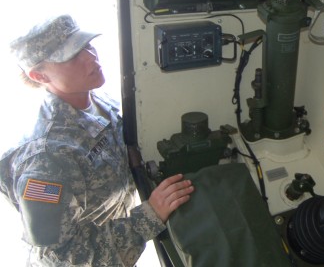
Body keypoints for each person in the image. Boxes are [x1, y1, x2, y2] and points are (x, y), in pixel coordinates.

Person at [0, 15, 195, 266]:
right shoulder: (46, 159)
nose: (91, 57)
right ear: (39, 76)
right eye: (71, 56)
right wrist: (150, 215)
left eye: (86, 46)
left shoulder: (101, 104)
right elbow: (61, 258)